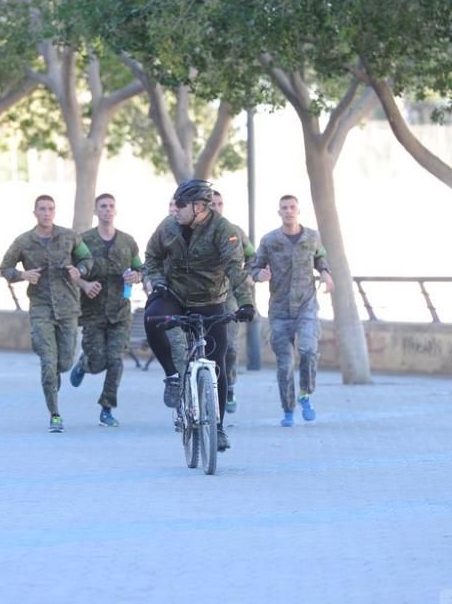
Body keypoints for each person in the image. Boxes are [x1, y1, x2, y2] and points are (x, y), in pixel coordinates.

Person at [143, 179, 255, 452]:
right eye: (175, 203)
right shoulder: (168, 226)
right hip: (175, 296)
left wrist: (246, 304)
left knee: (218, 364)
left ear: (200, 207)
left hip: (210, 300)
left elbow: (235, 270)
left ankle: (217, 428)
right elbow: (151, 257)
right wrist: (156, 280)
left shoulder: (223, 230)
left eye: (181, 204)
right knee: (152, 318)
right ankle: (171, 376)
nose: (175, 209)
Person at [0, 195, 94, 433]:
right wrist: (23, 275)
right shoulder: (23, 241)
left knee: (64, 362)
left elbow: (87, 258)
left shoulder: (70, 237)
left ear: (54, 212)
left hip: (68, 308)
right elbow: (5, 268)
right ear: (35, 212)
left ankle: (56, 377)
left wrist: (79, 269)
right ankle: (55, 414)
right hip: (41, 308)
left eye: (50, 209)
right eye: (42, 209)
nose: (46, 213)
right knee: (48, 363)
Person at [249, 195, 334, 426]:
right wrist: (259, 275)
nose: (288, 211)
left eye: (292, 207)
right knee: (285, 365)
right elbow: (254, 267)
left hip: (306, 307)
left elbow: (321, 257)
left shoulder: (312, 237)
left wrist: (325, 273)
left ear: (298, 210)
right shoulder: (270, 240)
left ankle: (306, 393)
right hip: (279, 311)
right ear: (279, 212)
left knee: (308, 351)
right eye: (284, 208)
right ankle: (288, 410)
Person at [68, 194, 142, 427]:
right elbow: (71, 271)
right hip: (92, 311)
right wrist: (85, 284)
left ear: (115, 211)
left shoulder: (128, 242)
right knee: (98, 361)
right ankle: (83, 365)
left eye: (111, 206)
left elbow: (140, 269)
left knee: (116, 361)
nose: (108, 210)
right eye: (103, 206)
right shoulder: (83, 241)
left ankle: (106, 409)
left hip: (120, 311)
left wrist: (136, 276)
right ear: (95, 211)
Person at [208, 190, 256, 413]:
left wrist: (248, 275)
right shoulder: (194, 232)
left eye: (219, 203)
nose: (216, 207)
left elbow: (253, 257)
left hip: (229, 296)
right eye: (211, 204)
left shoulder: (235, 232)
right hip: (202, 295)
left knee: (230, 346)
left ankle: (229, 387)